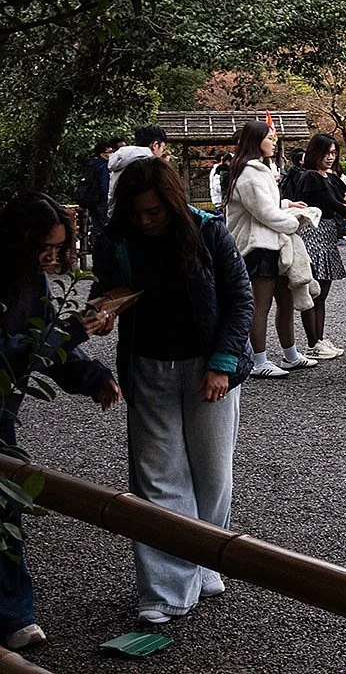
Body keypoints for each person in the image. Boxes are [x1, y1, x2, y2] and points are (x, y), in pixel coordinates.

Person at [94, 158, 253, 626]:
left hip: (207, 363)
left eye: (154, 212)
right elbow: (107, 289)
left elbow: (240, 299)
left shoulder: (208, 231)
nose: (145, 221)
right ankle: (166, 590)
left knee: (211, 473)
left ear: (173, 203)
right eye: (137, 213)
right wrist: (104, 308)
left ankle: (205, 560)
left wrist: (222, 364)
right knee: (156, 477)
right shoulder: (115, 238)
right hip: (147, 363)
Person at [0, 193, 119, 650]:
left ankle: (14, 615)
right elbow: (13, 350)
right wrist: (71, 331)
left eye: (58, 248)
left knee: (6, 508)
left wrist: (94, 377)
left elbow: (46, 344)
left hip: (4, 409)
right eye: (43, 248)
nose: (51, 257)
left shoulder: (33, 282)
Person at [222, 120, 319, 377]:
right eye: (269, 138)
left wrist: (287, 205)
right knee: (260, 305)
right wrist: (294, 222)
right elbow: (264, 212)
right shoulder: (249, 173)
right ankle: (259, 360)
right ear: (257, 141)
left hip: (271, 243)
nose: (273, 143)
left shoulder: (258, 169)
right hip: (257, 246)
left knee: (285, 301)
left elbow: (267, 205)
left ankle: (290, 354)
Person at [295, 134, 346, 360]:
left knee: (322, 292)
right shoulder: (310, 176)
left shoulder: (328, 176)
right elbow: (332, 203)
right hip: (313, 234)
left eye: (333, 153)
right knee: (314, 291)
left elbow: (340, 196)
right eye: (326, 153)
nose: (330, 157)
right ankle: (312, 343)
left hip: (327, 235)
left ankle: (318, 339)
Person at [107, 124, 169, 213]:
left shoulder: (122, 160)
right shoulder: (148, 164)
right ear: (155, 145)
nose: (162, 153)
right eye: (163, 148)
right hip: (140, 216)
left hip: (116, 215)